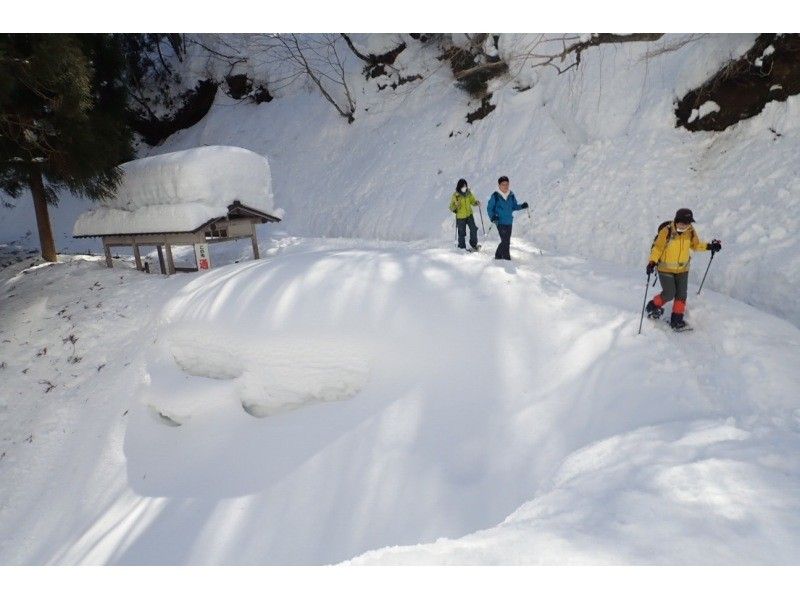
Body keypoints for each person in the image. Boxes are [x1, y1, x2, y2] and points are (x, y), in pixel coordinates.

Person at [645, 208, 722, 329]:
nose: (685, 225)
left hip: (683, 270)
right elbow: (658, 248)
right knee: (669, 293)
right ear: (677, 220)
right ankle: (652, 306)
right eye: (683, 223)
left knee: (681, 295)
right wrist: (652, 262)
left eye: (688, 223)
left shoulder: (690, 231)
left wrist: (710, 246)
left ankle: (676, 320)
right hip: (665, 269)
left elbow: (696, 245)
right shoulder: (667, 231)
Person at [486, 176, 528, 260]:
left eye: (507, 184)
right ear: (499, 185)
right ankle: (504, 257)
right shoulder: (495, 196)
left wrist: (522, 206)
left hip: (509, 221)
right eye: (503, 184)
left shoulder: (511, 195)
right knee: (505, 240)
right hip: (500, 221)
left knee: (506, 241)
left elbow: (514, 206)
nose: (505, 186)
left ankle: (501, 255)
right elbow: (489, 208)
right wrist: (493, 216)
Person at [449, 178, 481, 251]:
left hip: (469, 215)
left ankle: (474, 244)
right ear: (459, 187)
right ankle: (462, 247)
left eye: (465, 186)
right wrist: (455, 207)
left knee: (474, 229)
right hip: (460, 217)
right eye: (463, 186)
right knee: (462, 233)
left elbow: (472, 201)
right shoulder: (455, 195)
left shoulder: (468, 193)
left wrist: (476, 203)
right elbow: (451, 206)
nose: (464, 188)